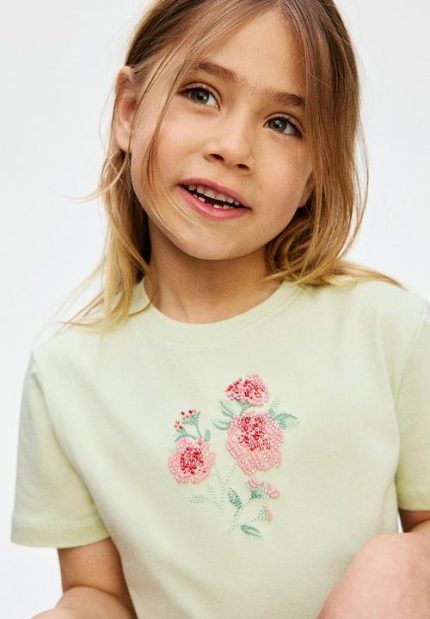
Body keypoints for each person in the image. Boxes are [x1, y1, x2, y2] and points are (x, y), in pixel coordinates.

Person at [10, 0, 430, 617]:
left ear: (316, 172)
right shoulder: (67, 377)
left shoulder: (387, 330)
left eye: (284, 123)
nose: (233, 148)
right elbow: (98, 593)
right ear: (129, 112)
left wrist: (407, 561)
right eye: (201, 94)